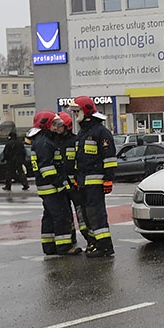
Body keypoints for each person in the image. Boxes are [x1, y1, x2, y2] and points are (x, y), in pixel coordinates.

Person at [72, 96, 117, 258]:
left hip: (96, 182)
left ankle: (105, 246)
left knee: (97, 214)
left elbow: (110, 158)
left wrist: (108, 179)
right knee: (88, 214)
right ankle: (95, 243)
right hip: (84, 182)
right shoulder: (83, 133)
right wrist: (77, 179)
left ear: (86, 111)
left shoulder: (101, 132)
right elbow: (80, 159)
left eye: (77, 110)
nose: (75, 113)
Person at [28, 110, 78, 255]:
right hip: (52, 187)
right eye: (53, 124)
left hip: (46, 187)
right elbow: (47, 168)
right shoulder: (44, 142)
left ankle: (49, 247)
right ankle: (64, 247)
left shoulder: (41, 140)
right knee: (61, 216)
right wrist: (61, 184)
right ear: (45, 125)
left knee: (49, 217)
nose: (56, 127)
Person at [54, 111, 94, 249]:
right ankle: (70, 239)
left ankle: (90, 239)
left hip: (75, 185)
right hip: (61, 184)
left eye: (59, 126)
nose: (57, 129)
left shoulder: (75, 141)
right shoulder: (54, 142)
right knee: (64, 215)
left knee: (82, 215)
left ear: (67, 126)